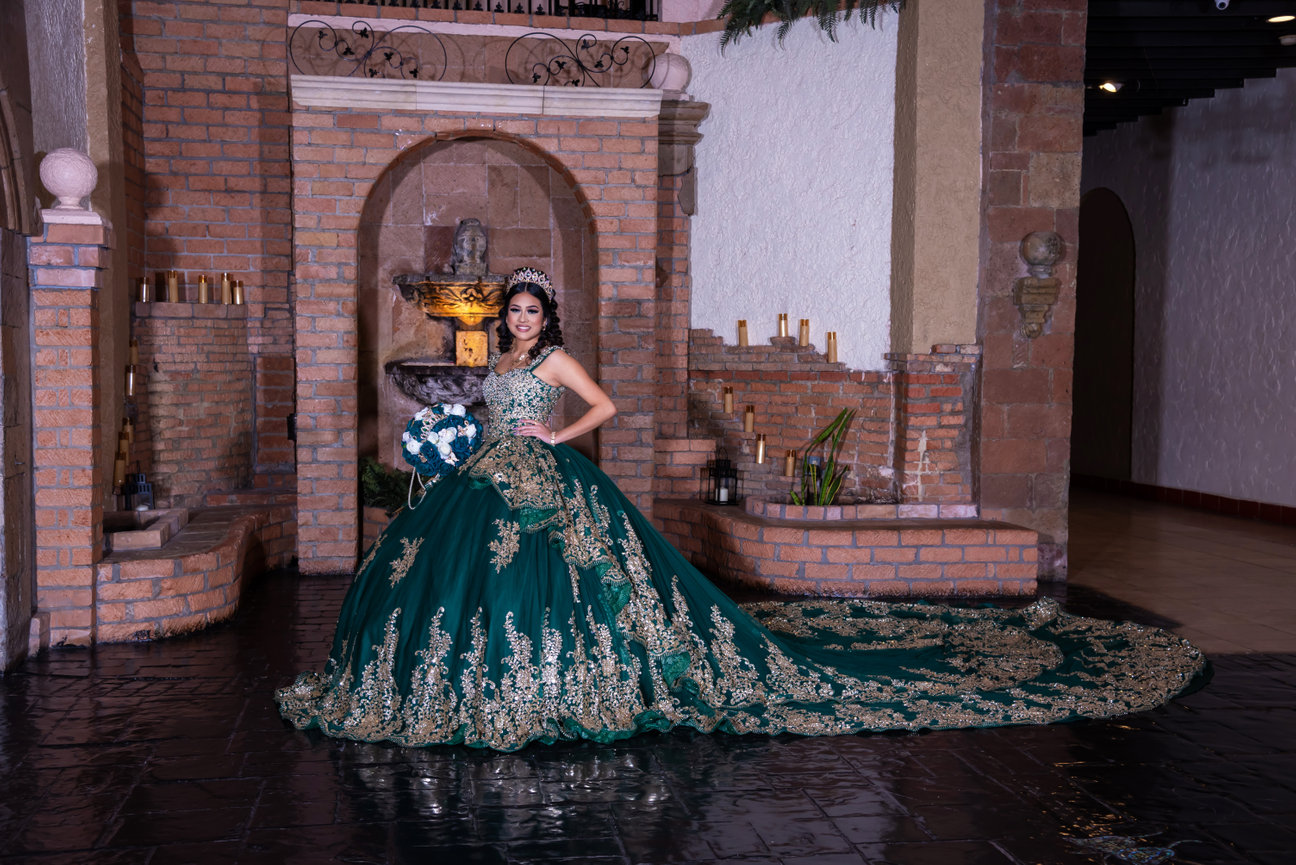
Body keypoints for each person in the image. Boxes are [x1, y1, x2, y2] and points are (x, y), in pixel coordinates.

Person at [276, 268, 1208, 751]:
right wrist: (463, 436)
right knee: (456, 580)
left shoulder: (555, 365)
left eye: (529, 312)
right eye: (513, 312)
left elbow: (606, 408)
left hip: (548, 480)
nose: (520, 321)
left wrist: (560, 442)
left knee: (579, 586)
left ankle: (581, 681)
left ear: (543, 320)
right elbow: (480, 411)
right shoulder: (499, 366)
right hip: (488, 479)